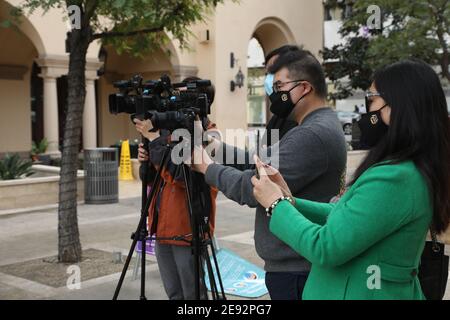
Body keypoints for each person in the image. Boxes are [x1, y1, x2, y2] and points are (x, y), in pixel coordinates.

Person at [251, 59, 450, 300]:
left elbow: (326, 247)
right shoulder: (407, 167)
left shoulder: (395, 177)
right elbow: (350, 218)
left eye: (372, 98)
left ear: (398, 106)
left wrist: (275, 204)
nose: (367, 109)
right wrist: (289, 200)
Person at [191, 49, 347, 299]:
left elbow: (252, 186)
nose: (274, 94)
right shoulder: (312, 127)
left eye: (280, 86)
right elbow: (259, 163)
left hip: (296, 270)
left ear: (304, 87)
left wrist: (206, 168)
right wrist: (214, 146)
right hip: (293, 265)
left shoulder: (312, 134)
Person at [134, 78, 218, 300]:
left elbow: (182, 177)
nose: (173, 102)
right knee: (174, 293)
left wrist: (155, 142)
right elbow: (150, 179)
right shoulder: (168, 135)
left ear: (200, 101)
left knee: (193, 294)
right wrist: (148, 156)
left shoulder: (209, 136)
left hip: (187, 228)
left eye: (180, 97)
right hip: (161, 227)